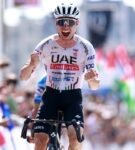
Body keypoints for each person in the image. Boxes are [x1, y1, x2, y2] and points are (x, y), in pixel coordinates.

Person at [20, 3, 100, 150]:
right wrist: (31, 65)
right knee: (40, 140)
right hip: (51, 95)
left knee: (75, 139)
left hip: (73, 97)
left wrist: (91, 79)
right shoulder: (46, 44)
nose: (65, 27)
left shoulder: (86, 47)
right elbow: (23, 77)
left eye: (70, 22)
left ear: (77, 23)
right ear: (55, 23)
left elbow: (95, 86)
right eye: (61, 22)